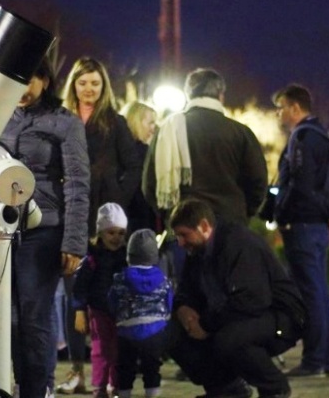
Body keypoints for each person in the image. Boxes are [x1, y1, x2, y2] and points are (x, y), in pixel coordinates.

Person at [0, 58, 90, 398]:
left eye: (31, 80)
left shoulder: (64, 122)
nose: (23, 90)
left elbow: (77, 183)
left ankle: (33, 390)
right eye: (18, 82)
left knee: (33, 319)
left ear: (44, 80)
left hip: (43, 231)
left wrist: (73, 241)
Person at [59, 56, 142, 393]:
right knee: (72, 293)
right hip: (70, 214)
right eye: (83, 83)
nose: (89, 89)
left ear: (104, 86)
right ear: (73, 85)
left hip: (104, 219)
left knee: (103, 296)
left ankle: (108, 371)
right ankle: (77, 369)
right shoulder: (62, 119)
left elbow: (133, 166)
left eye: (95, 83)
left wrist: (117, 197)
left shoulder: (114, 123)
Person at [167, 199, 304, 398]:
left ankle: (274, 387)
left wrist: (205, 324)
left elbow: (251, 299)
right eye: (177, 236)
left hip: (279, 315)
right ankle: (226, 389)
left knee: (230, 340)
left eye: (184, 235)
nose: (180, 243)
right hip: (232, 314)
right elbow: (185, 290)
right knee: (171, 333)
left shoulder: (238, 244)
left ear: (204, 226)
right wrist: (183, 310)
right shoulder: (196, 250)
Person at [142, 67, 268, 225]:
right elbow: (258, 183)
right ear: (221, 96)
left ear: (188, 95)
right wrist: (242, 211)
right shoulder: (241, 133)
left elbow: (150, 185)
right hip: (231, 223)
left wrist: (170, 215)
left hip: (185, 226)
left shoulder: (168, 130)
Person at [272, 84, 329, 377]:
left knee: (311, 294)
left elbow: (299, 183)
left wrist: (280, 212)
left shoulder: (302, 138)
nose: (278, 113)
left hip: (302, 224)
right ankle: (327, 359)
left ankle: (313, 361)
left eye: (281, 107)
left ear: (295, 108)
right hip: (319, 224)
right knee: (320, 292)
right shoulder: (322, 135)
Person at [72, 202, 129, 398]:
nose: (116, 238)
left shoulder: (125, 257)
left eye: (121, 233)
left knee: (119, 350)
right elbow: (80, 285)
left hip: (120, 312)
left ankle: (116, 385)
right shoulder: (92, 258)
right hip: (99, 310)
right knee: (102, 350)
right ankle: (99, 386)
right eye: (111, 233)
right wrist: (79, 310)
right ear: (101, 233)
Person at [108, 229, 173, 398]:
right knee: (151, 367)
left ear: (129, 255)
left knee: (125, 367)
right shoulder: (163, 279)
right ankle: (151, 393)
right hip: (155, 330)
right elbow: (169, 302)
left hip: (126, 331)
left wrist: (117, 314)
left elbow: (112, 300)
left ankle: (124, 393)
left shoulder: (120, 278)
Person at [121, 101, 158, 235]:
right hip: (139, 222)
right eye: (150, 123)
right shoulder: (143, 153)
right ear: (136, 122)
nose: (154, 128)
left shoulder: (115, 149)